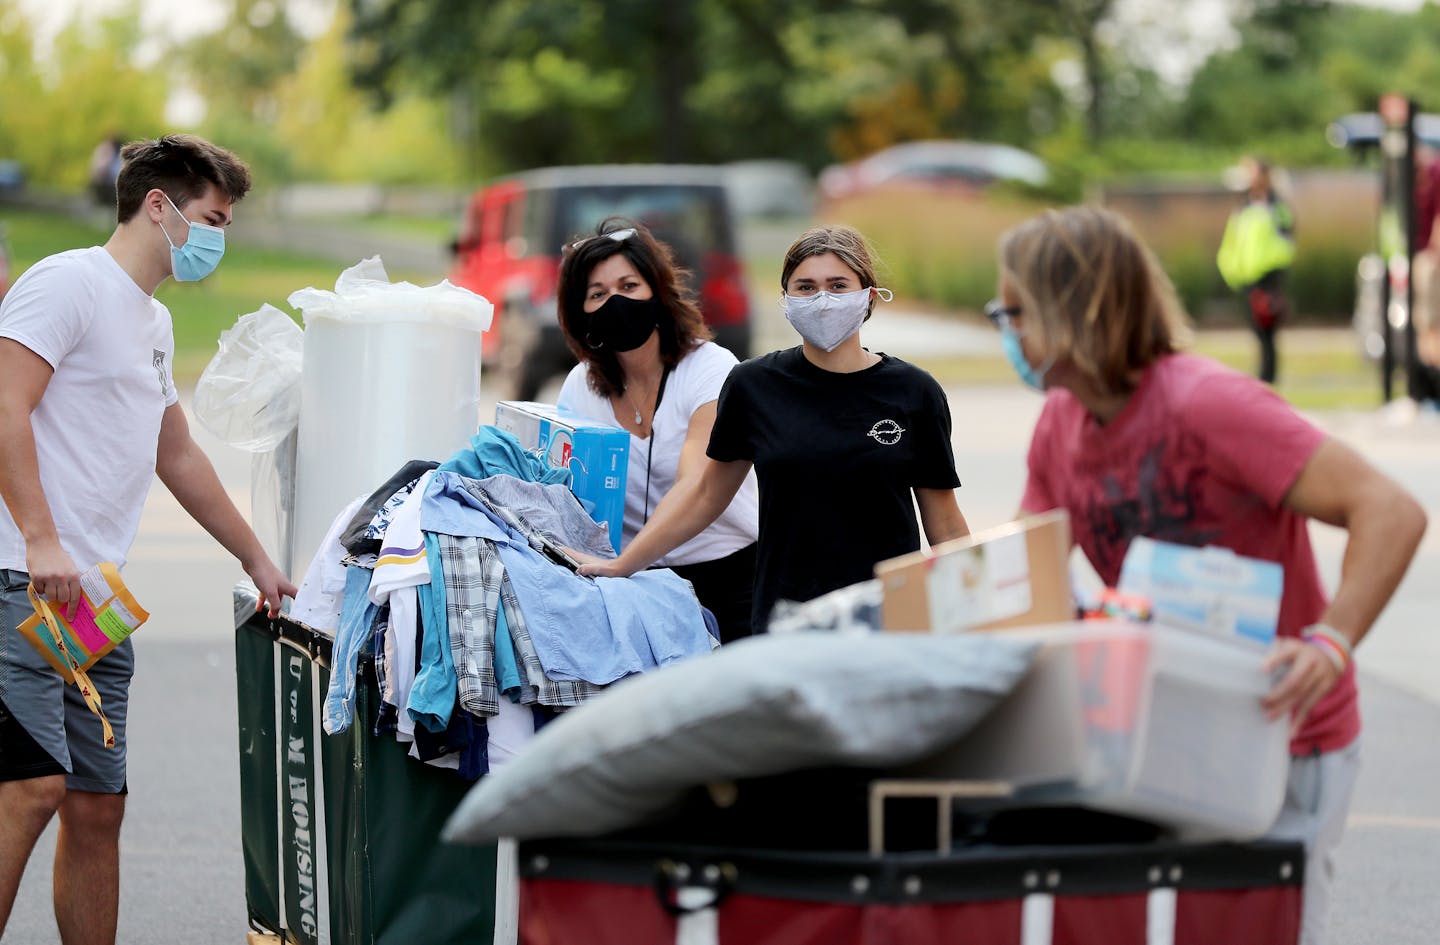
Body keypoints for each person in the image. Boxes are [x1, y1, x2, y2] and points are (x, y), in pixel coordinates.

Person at [991, 205, 1426, 945]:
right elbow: (1027, 569)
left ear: (1072, 310)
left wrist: (1331, 644)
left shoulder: (1209, 403)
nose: (1005, 330)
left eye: (1015, 311)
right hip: (1162, 734)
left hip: (1281, 736)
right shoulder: (1059, 422)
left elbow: (1390, 510)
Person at [0, 134, 296, 943]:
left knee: (98, 807)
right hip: (23, 581)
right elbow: (4, 404)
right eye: (212, 217)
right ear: (158, 206)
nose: (218, 238)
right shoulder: (68, 282)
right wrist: (40, 537)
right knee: (28, 788)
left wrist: (256, 556)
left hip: (93, 604)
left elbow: (177, 454)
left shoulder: (155, 321)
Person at [577, 224, 971, 631]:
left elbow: (943, 520)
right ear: (785, 299)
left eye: (838, 285)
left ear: (868, 296)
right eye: (806, 287)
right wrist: (624, 564)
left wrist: (979, 605)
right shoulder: (753, 386)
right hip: (787, 620)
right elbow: (707, 494)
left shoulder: (914, 391)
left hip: (889, 619)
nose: (822, 300)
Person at [554, 219, 760, 642]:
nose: (615, 301)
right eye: (598, 294)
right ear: (581, 313)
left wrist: (625, 562)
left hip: (729, 582)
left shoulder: (712, 369)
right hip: (631, 590)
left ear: (658, 293)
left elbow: (697, 483)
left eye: (629, 286)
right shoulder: (579, 384)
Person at [1216, 157, 1295, 384]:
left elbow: (1286, 240)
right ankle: (1264, 375)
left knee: (1267, 330)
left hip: (1268, 278)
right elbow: (1232, 242)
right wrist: (1231, 269)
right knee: (1257, 331)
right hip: (1247, 277)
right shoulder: (1244, 208)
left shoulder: (1275, 207)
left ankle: (1268, 377)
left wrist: (1275, 273)